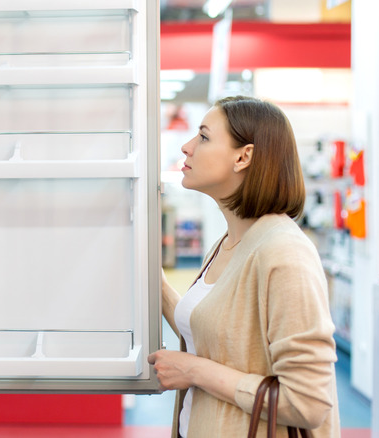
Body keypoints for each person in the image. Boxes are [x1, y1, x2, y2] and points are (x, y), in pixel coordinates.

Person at [147, 96, 340, 437]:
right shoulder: (228, 243)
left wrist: (195, 371)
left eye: (204, 137)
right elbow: (220, 340)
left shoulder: (284, 253)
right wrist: (158, 284)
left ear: (243, 156)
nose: (187, 147)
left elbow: (308, 402)